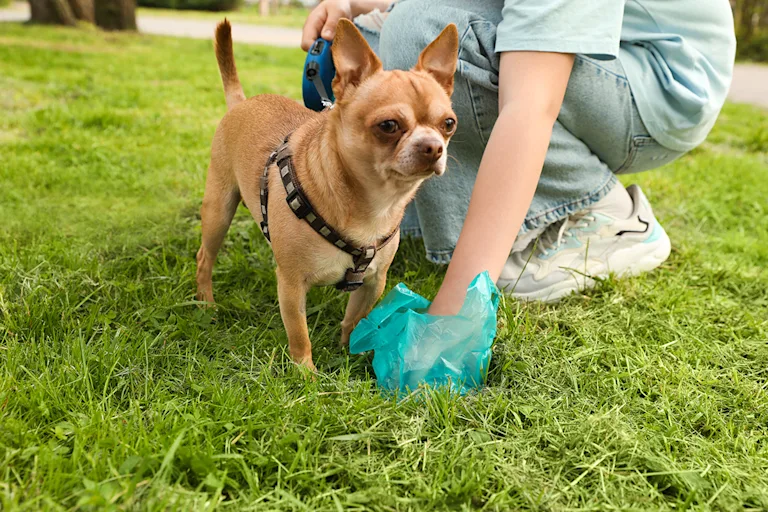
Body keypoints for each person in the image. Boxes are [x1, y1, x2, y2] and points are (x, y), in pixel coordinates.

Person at [301, 0, 736, 313]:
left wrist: (458, 307)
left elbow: (531, 103)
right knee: (372, 34)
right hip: (609, 57)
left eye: (444, 128)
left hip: (659, 81)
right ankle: (415, 211)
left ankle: (598, 209)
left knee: (418, 26)